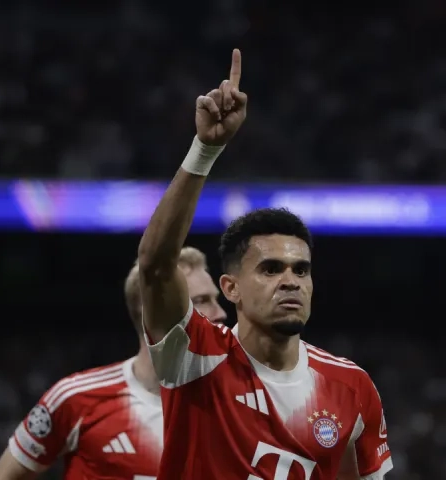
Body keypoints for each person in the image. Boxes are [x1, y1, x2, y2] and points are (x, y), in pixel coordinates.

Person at [137, 48, 392, 480]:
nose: (291, 281)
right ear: (230, 287)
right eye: (271, 269)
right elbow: (156, 265)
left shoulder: (353, 386)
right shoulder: (195, 356)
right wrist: (205, 150)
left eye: (301, 270)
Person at [0, 248, 226, 480]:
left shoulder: (238, 406)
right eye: (203, 301)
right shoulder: (76, 399)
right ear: (156, 312)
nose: (221, 313)